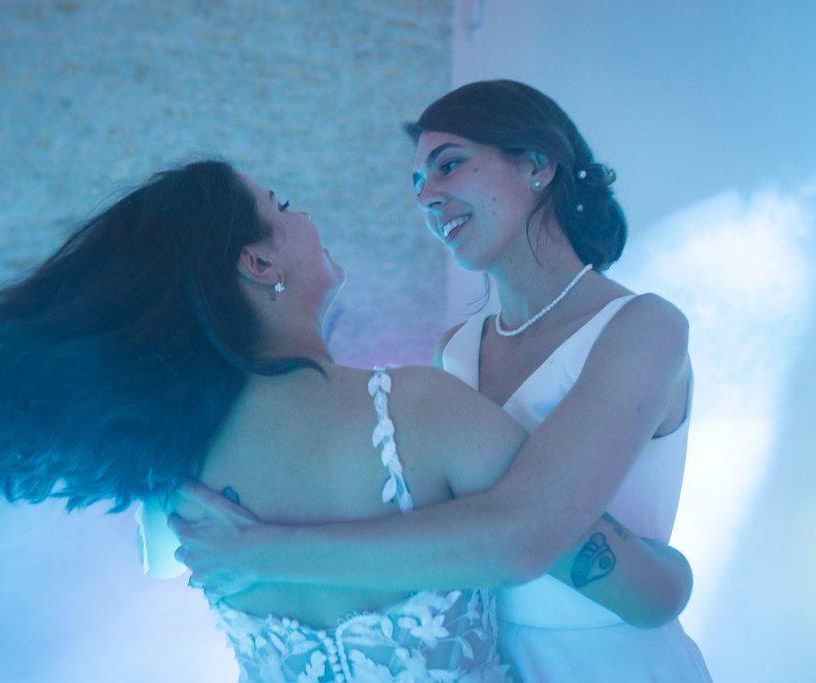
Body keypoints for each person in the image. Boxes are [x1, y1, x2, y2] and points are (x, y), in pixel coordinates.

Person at [0, 158, 691, 683]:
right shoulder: (423, 412)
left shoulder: (169, 474)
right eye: (281, 203)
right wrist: (679, 569)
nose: (303, 214)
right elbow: (646, 593)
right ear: (259, 263)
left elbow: (171, 564)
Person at [170, 81, 713, 681]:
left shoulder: (643, 326)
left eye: (447, 166)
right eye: (417, 185)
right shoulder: (457, 348)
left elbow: (521, 533)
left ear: (537, 164)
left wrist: (267, 552)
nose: (427, 197)